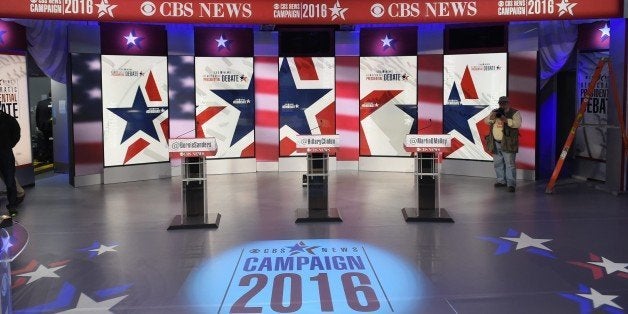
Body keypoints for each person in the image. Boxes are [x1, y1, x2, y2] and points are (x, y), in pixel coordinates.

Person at [484, 96, 522, 192]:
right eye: (501, 103)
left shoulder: (514, 112)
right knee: (498, 163)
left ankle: (511, 184)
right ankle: (501, 181)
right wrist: (492, 118)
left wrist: (506, 119)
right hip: (495, 142)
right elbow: (486, 121)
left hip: (508, 142)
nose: (502, 104)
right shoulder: (495, 111)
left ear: (508, 103)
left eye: (504, 103)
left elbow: (518, 124)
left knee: (510, 164)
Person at [0, 109, 21, 214]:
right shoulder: (8, 118)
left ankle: (12, 205)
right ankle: (12, 206)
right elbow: (17, 133)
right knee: (9, 179)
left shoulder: (8, 119)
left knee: (10, 180)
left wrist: (9, 145)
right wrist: (9, 145)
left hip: (6, 153)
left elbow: (17, 133)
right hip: (6, 153)